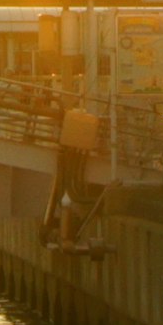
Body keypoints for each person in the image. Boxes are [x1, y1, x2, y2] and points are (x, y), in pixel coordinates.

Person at [48, 91, 106, 250]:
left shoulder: (69, 154)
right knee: (69, 198)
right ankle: (66, 236)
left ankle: (65, 237)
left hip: (75, 151)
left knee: (68, 198)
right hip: (77, 151)